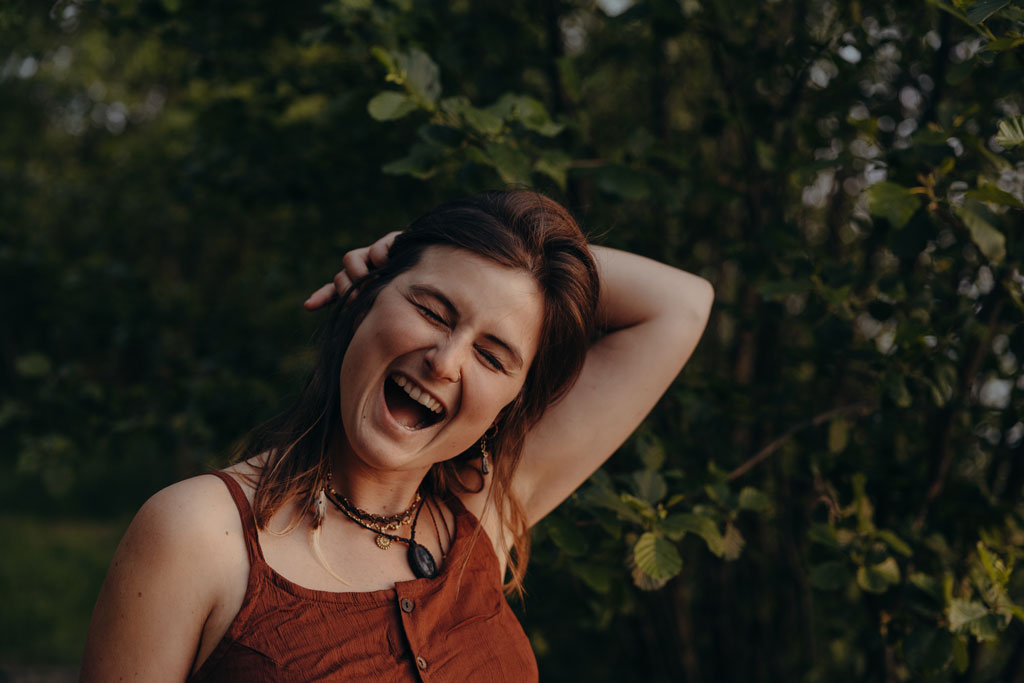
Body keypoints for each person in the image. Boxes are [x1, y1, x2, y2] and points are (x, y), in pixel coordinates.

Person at [80, 190, 714, 681]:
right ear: (363, 300)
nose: (446, 360)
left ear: (511, 402)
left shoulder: (479, 516)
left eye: (494, 356)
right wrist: (418, 249)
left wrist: (530, 272)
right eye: (433, 309)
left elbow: (681, 303)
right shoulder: (199, 534)